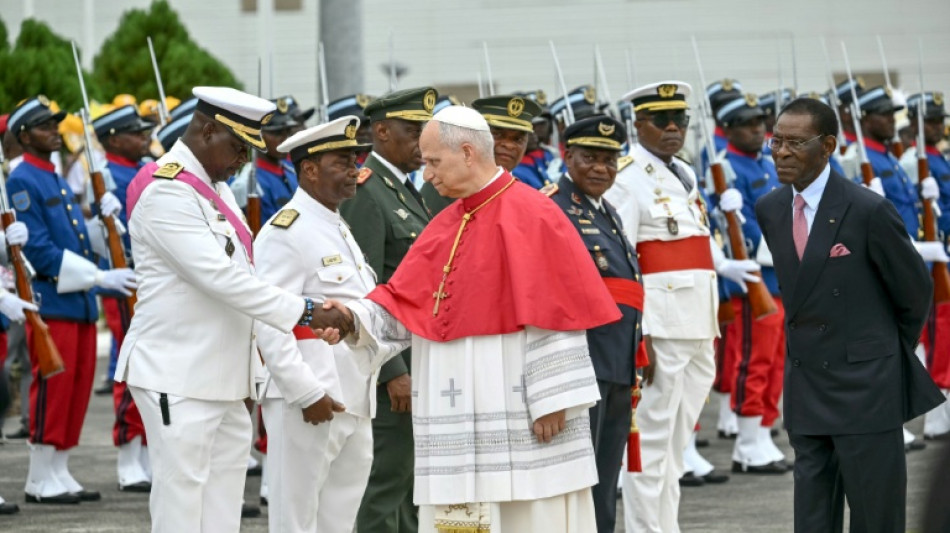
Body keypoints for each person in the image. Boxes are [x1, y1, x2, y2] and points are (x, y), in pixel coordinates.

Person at [319, 105, 618, 532]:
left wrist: (556, 398)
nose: (427, 175)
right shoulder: (448, 222)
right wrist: (352, 317)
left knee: (530, 514)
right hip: (454, 410)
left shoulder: (534, 213)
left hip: (519, 405)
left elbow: (559, 314)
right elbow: (405, 301)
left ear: (466, 152)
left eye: (433, 162)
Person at [114, 86, 325, 532]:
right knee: (181, 509)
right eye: (239, 147)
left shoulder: (217, 190)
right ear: (208, 131)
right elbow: (221, 279)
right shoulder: (167, 192)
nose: (244, 161)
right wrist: (306, 310)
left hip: (225, 378)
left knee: (223, 510)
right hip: (179, 374)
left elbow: (247, 274)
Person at [755, 96, 944, 533]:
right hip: (807, 386)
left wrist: (876, 351)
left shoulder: (867, 209)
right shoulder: (771, 208)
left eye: (795, 143)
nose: (782, 153)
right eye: (776, 141)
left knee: (876, 517)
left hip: (865, 388)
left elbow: (914, 292)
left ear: (828, 147)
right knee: (813, 518)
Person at [605, 82, 756, 532]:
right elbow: (621, 259)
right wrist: (641, 332)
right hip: (661, 328)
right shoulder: (627, 178)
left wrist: (724, 264)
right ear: (638, 124)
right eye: (661, 120)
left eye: (680, 120)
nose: (673, 128)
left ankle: (665, 525)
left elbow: (693, 242)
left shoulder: (684, 171)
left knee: (675, 446)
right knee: (650, 445)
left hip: (697, 323)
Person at [7, 96, 137, 505]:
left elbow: (75, 240)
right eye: (45, 126)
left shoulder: (55, 177)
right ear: (24, 135)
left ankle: (59, 470)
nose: (54, 131)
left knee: (77, 390)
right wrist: (99, 276)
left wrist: (103, 222)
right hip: (52, 300)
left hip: (77, 301)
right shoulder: (23, 179)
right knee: (54, 389)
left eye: (55, 124)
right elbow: (39, 251)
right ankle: (39, 477)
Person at [254, 116, 375, 533]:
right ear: (309, 169)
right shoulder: (285, 231)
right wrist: (305, 391)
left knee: (339, 519)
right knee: (296, 518)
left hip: (353, 393)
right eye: (342, 162)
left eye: (354, 161)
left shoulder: (336, 225)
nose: (353, 171)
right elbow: (269, 320)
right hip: (310, 397)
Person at [340, 86, 436, 533]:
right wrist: (393, 370)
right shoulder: (367, 192)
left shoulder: (405, 190)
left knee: (410, 482)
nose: (422, 141)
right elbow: (367, 291)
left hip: (419, 352)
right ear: (380, 132)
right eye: (412, 131)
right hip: (391, 363)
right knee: (385, 480)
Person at [549, 115, 643, 533]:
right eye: (590, 158)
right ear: (567, 156)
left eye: (609, 160)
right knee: (579, 478)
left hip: (616, 359)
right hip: (582, 360)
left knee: (604, 479)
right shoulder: (554, 208)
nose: (601, 169)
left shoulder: (608, 212)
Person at [711, 94, 788, 474]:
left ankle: (763, 430)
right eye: (747, 124)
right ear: (727, 130)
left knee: (775, 361)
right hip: (753, 278)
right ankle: (746, 442)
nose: (758, 129)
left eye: (760, 122)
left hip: (780, 277)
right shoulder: (725, 168)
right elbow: (738, 229)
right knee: (754, 360)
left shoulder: (766, 164)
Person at [90, 104, 156, 492]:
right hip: (125, 280)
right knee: (132, 369)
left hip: (150, 280)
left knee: (155, 370)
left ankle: (146, 450)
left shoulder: (144, 168)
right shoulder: (105, 177)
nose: (144, 137)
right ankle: (129, 455)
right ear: (113, 139)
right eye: (135, 132)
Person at [900, 91, 950, 440]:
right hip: (927, 258)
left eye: (939, 120)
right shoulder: (910, 161)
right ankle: (936, 417)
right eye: (930, 121)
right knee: (936, 336)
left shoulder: (938, 158)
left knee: (944, 336)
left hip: (942, 255)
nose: (937, 126)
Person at [421, 94, 543, 215]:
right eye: (498, 135)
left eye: (517, 139)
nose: (509, 145)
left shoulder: (526, 193)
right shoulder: (444, 185)